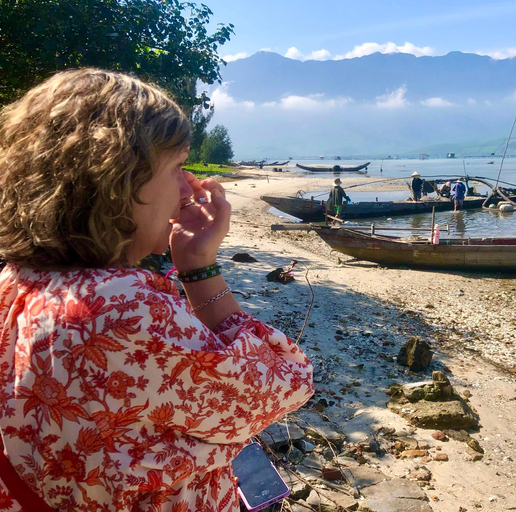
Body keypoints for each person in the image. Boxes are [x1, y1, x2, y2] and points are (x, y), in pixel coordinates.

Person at [0, 69, 314, 512]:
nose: (189, 186)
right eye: (177, 167)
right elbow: (285, 381)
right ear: (116, 182)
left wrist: (191, 260)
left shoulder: (17, 282)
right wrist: (202, 270)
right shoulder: (121, 311)